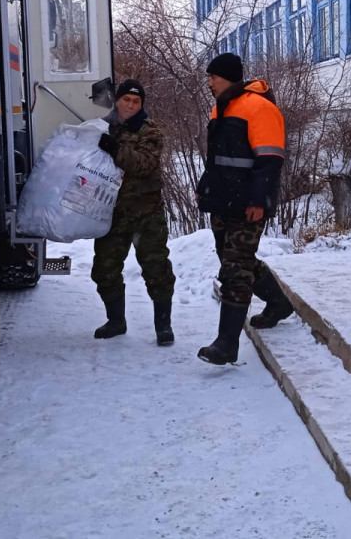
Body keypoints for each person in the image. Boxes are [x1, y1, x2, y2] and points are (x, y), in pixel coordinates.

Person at [195, 53, 292, 365]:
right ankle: (278, 302)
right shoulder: (220, 108)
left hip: (247, 203)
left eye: (213, 77)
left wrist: (258, 201)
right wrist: (204, 187)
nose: (209, 83)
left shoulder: (260, 107)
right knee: (236, 260)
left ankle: (226, 344)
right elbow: (217, 160)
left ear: (228, 77)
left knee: (235, 269)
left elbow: (270, 160)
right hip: (222, 199)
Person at [91, 79, 176, 346]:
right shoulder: (102, 127)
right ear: (117, 101)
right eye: (126, 99)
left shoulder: (150, 131)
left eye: (136, 101)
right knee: (104, 270)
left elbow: (145, 164)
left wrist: (116, 149)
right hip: (111, 213)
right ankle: (116, 321)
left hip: (146, 214)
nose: (130, 105)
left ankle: (163, 326)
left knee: (157, 269)